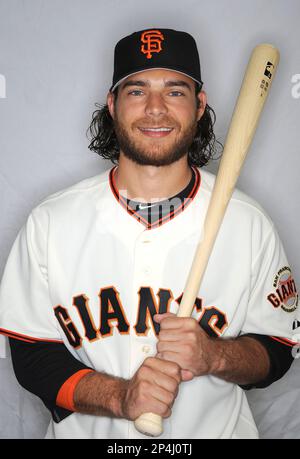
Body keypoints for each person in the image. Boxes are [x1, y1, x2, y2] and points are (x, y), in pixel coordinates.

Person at [0, 28, 298, 439]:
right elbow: (32, 355)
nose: (155, 109)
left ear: (199, 106)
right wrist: (121, 397)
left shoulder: (249, 222)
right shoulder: (51, 221)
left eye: (175, 91)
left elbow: (278, 350)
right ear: (112, 105)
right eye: (137, 91)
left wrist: (215, 355)